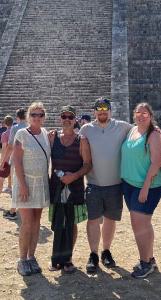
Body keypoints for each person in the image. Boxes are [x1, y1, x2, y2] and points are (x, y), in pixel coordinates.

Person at [79, 97, 132, 273]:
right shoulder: (86, 129)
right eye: (99, 109)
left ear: (110, 110)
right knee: (93, 220)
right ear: (94, 111)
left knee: (110, 220)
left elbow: (141, 131)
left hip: (115, 184)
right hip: (93, 183)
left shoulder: (123, 126)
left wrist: (154, 128)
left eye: (105, 109)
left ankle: (106, 251)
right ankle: (93, 254)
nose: (102, 112)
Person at [121, 103, 161, 278]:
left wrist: (145, 188)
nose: (141, 116)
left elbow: (156, 162)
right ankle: (150, 258)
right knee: (144, 225)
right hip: (129, 184)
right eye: (138, 113)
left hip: (147, 186)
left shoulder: (153, 135)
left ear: (151, 116)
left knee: (139, 226)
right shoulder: (131, 131)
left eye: (145, 114)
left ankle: (145, 263)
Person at [48, 105, 92, 274]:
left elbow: (88, 164)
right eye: (64, 117)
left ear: (75, 120)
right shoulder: (52, 137)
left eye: (70, 117)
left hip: (75, 189)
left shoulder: (81, 140)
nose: (67, 120)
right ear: (60, 119)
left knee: (71, 223)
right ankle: (57, 257)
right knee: (58, 223)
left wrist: (73, 176)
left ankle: (68, 258)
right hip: (56, 189)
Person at [12, 102, 51, 276]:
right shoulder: (21, 133)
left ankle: (32, 257)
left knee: (36, 223)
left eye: (40, 115)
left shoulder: (44, 133)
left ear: (44, 117)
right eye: (33, 115)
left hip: (41, 183)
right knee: (27, 223)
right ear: (28, 116)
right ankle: (22, 259)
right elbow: (17, 161)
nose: (36, 118)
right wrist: (23, 186)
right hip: (25, 183)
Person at [0, 108, 28, 220]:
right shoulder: (30, 127)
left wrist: (3, 161)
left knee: (17, 186)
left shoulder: (15, 128)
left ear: (17, 117)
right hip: (29, 160)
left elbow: (10, 146)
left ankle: (12, 211)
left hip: (17, 160)